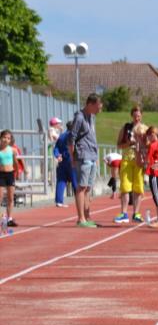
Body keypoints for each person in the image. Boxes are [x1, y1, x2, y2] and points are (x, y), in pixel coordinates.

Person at [68, 94, 103, 228]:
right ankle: (81, 218)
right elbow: (71, 138)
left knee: (88, 188)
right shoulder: (79, 117)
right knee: (82, 187)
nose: (99, 110)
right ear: (90, 104)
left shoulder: (91, 117)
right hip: (83, 155)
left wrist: (96, 156)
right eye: (98, 107)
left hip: (92, 155)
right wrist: (72, 158)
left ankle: (87, 216)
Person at [114, 106, 145, 224]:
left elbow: (149, 145)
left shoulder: (145, 129)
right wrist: (129, 143)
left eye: (139, 116)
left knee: (138, 187)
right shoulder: (126, 128)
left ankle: (136, 213)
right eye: (135, 116)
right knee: (125, 187)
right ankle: (124, 213)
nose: (137, 118)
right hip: (127, 159)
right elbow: (119, 145)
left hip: (139, 160)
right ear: (131, 116)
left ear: (141, 116)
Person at [53, 121, 77, 207]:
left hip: (62, 160)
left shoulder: (61, 136)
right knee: (75, 180)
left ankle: (59, 201)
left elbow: (56, 148)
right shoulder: (73, 135)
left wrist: (57, 155)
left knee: (61, 180)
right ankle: (79, 200)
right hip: (71, 159)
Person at [0, 129, 19, 226]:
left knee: (10, 198)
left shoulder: (12, 150)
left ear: (10, 140)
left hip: (10, 174)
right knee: (0, 197)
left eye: (8, 138)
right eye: (4, 137)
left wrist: (17, 172)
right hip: (1, 175)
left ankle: (9, 219)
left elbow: (15, 162)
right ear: (0, 138)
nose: (6, 140)